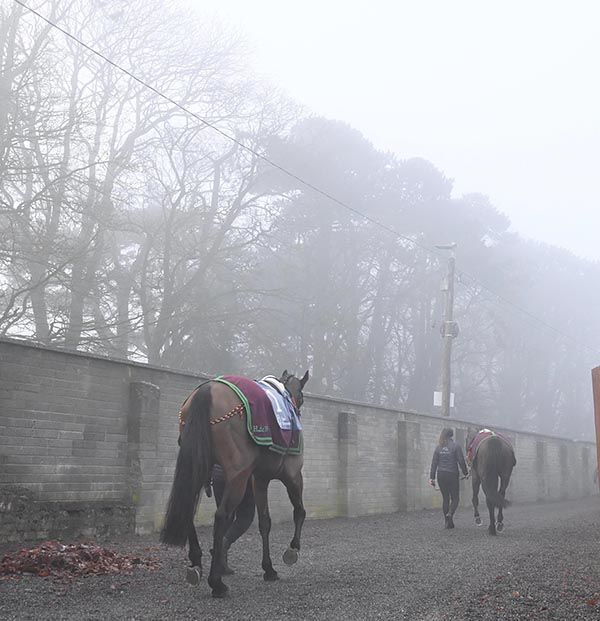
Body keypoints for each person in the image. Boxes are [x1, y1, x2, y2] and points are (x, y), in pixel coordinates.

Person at [210, 464, 255, 574]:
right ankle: (223, 545)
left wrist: (207, 481)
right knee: (246, 516)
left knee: (224, 517)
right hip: (241, 474)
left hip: (217, 475)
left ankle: (220, 562)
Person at [429, 427, 469, 529]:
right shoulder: (456, 446)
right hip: (452, 474)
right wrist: (466, 473)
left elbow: (434, 463)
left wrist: (431, 478)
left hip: (441, 475)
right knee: (455, 498)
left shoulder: (438, 447)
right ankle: (450, 513)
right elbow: (461, 461)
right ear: (451, 435)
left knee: (445, 499)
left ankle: (448, 523)